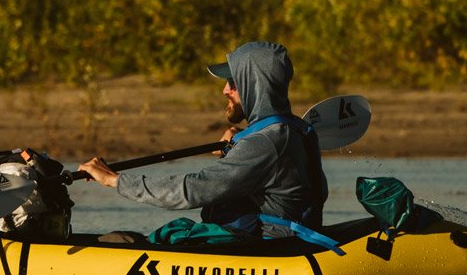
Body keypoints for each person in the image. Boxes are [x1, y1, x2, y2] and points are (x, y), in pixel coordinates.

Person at [78, 39, 328, 239]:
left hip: (268, 252)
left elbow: (192, 190)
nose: (225, 90)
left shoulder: (264, 143)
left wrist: (115, 181)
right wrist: (240, 143)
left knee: (131, 239)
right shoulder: (295, 129)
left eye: (233, 82)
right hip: (282, 239)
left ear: (253, 85)